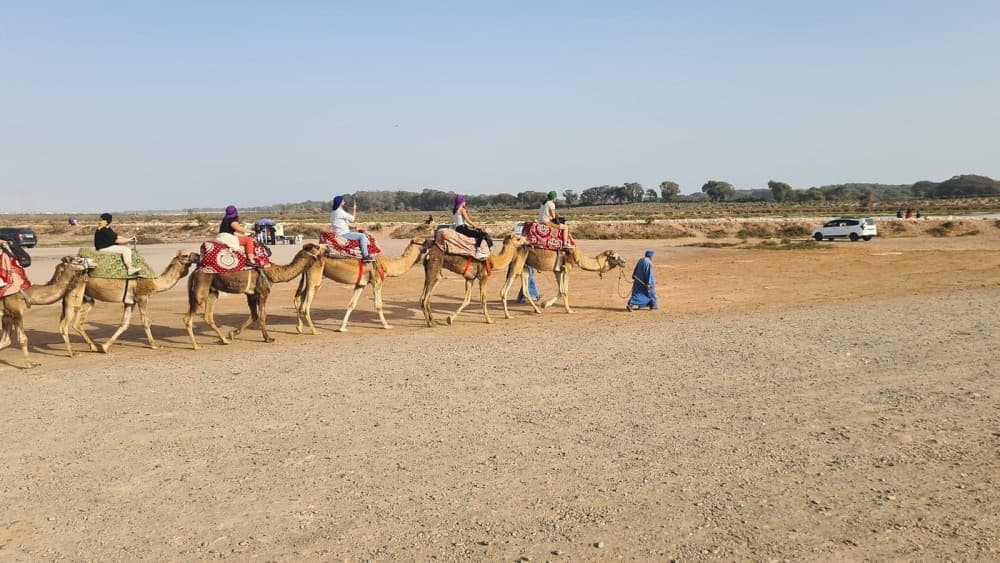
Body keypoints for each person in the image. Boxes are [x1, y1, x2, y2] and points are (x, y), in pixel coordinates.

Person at [331, 195, 375, 262]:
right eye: (343, 201)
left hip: (338, 232)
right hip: (344, 234)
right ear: (340, 202)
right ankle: (365, 256)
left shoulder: (333, 212)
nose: (344, 202)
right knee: (363, 236)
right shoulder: (340, 212)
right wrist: (354, 209)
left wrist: (353, 228)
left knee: (358, 234)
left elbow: (342, 223)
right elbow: (353, 219)